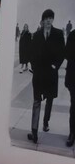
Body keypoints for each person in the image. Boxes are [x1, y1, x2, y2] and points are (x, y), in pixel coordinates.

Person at [28, 9, 65, 144]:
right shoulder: (36, 35)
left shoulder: (58, 34)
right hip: (39, 74)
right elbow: (32, 52)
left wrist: (56, 65)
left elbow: (62, 52)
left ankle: (45, 122)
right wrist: (33, 66)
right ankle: (34, 132)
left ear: (52, 20)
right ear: (42, 20)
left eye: (50, 18)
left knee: (49, 100)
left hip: (51, 73)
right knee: (37, 101)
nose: (48, 20)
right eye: (46, 18)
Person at [65, 29, 75, 147]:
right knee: (74, 106)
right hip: (73, 77)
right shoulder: (72, 35)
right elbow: (66, 54)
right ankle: (72, 133)